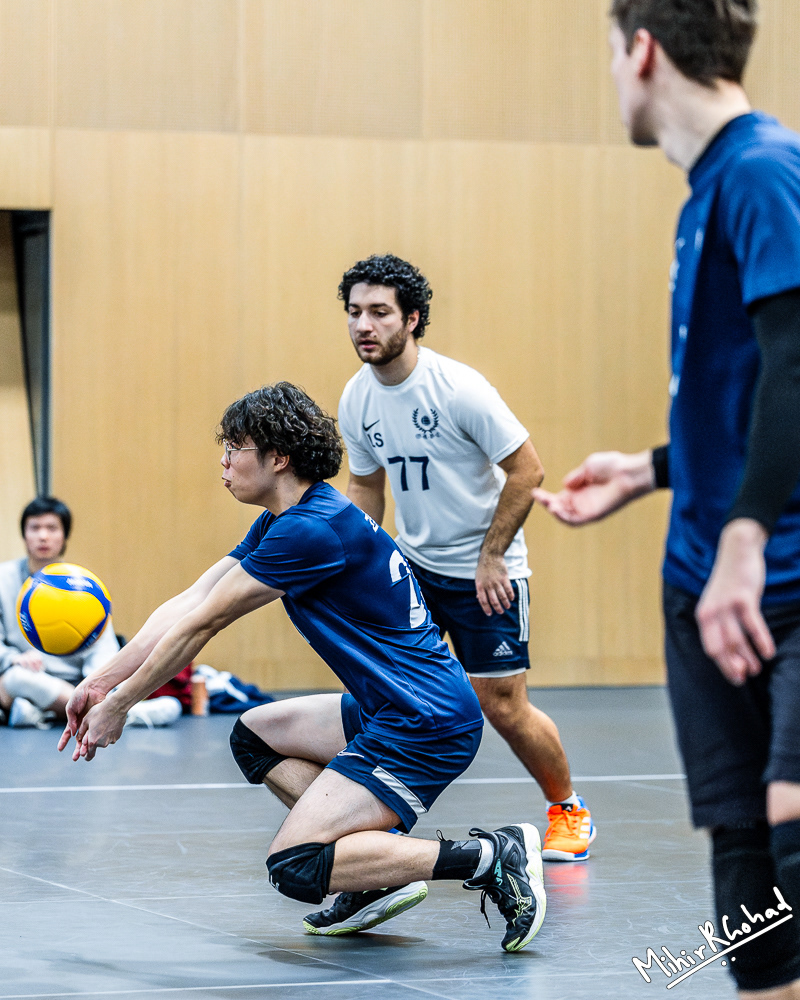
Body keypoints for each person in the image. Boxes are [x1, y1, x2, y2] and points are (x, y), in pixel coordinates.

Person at [58, 383, 547, 951]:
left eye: (235, 447)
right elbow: (190, 601)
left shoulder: (310, 531)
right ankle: (369, 876)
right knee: (254, 735)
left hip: (424, 722)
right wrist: (98, 683)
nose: (224, 460)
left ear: (278, 458)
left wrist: (120, 705)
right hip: (389, 706)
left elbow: (202, 626)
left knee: (296, 863)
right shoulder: (285, 519)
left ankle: (490, 857)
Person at [534, 1, 800, 994]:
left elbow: (793, 369)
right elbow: (738, 403)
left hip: (777, 571)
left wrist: (745, 535)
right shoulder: (703, 193)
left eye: (608, 56)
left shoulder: (762, 170)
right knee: (739, 852)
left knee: (788, 834)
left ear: (640, 50)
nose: (609, 78)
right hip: (701, 575)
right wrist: (650, 470)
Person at [337, 254, 595, 861]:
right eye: (353, 313)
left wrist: (492, 556)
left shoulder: (459, 389)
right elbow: (367, 486)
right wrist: (361, 563)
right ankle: (377, 819)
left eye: (379, 312)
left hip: (486, 570)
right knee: (387, 694)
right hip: (413, 569)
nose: (363, 326)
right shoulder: (357, 398)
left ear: (413, 319)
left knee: (502, 704)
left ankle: (568, 809)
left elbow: (526, 469)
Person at [0, 496, 180, 729]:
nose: (43, 536)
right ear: (24, 535)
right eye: (35, 528)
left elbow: (102, 648)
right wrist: (13, 658)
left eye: (52, 528)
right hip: (32, 676)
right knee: (14, 680)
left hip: (82, 682)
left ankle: (50, 712)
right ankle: (116, 713)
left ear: (65, 536)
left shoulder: (82, 584)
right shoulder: (3, 579)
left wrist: (98, 684)